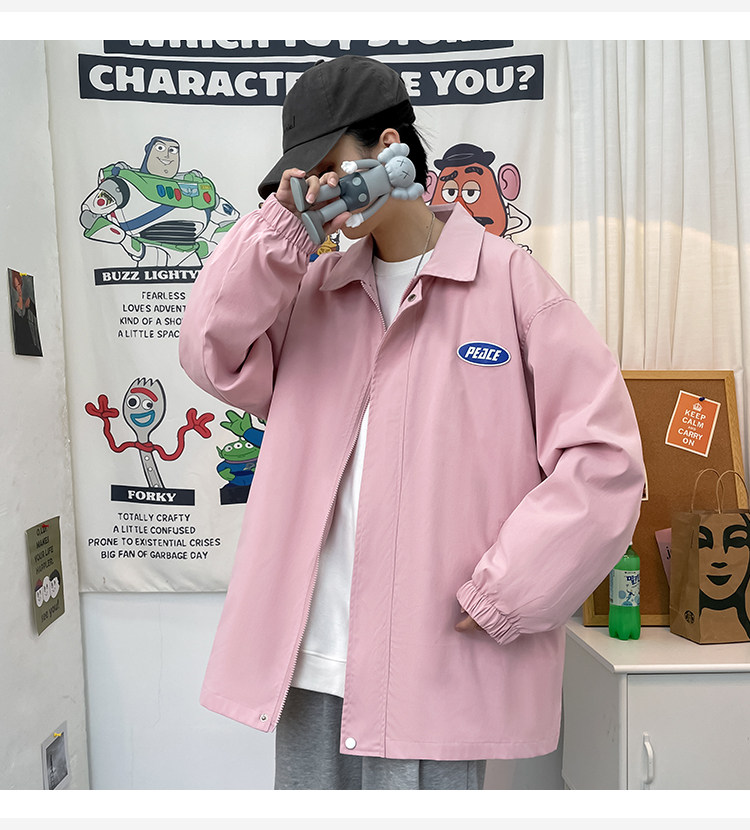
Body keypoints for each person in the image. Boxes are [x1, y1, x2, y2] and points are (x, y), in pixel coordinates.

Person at [179, 55, 645, 791]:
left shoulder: (511, 285)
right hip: (309, 663)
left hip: (429, 666)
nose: (322, 191)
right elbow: (210, 351)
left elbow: (604, 462)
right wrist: (284, 228)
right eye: (307, 179)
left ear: (390, 147)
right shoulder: (310, 295)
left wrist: (508, 591)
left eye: (333, 168)